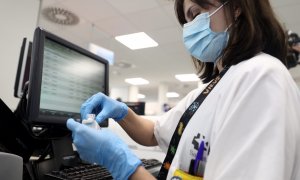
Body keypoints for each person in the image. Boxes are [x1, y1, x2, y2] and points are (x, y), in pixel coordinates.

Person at [66, 0, 300, 179]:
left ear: (237, 7)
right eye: (187, 21)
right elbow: (155, 132)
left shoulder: (261, 78)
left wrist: (120, 163)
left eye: (196, 13)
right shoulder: (211, 88)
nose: (190, 28)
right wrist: (122, 113)